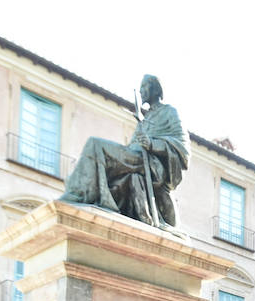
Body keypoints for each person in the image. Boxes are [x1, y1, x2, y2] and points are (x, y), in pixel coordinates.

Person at [60, 74, 188, 226]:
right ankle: (85, 193)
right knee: (99, 151)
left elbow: (182, 147)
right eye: (140, 88)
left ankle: (79, 194)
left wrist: (152, 144)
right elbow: (132, 146)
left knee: (95, 144)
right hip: (134, 158)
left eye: (144, 87)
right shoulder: (146, 117)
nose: (140, 92)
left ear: (155, 89)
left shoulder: (169, 112)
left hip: (152, 165)